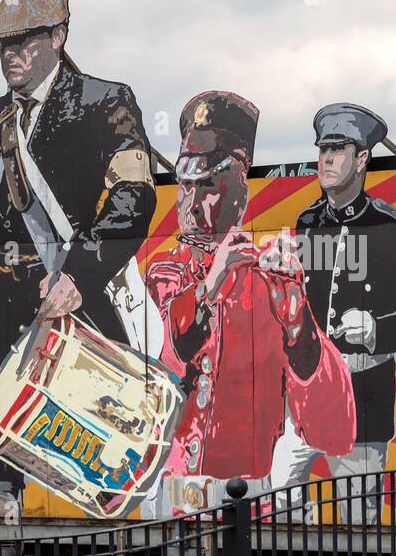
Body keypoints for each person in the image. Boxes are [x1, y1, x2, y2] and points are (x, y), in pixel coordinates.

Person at [0, 0, 156, 516]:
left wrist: (79, 275)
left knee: (96, 431)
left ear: (59, 36)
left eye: (24, 43)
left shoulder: (104, 100)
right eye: (4, 46)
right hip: (1, 305)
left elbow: (133, 197)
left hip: (72, 298)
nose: (10, 56)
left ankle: (106, 552)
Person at [142, 91, 355, 516]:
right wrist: (210, 284)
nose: (192, 202)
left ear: (240, 189)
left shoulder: (271, 278)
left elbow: (336, 429)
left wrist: (298, 319)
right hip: (172, 493)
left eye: (208, 186)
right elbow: (159, 361)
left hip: (248, 499)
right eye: (186, 185)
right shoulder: (166, 271)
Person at [270, 102, 396, 525]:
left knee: (359, 514)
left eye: (338, 150)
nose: (326, 158)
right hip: (307, 389)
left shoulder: (393, 225)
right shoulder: (308, 221)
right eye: (323, 149)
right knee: (281, 494)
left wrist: (376, 327)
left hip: (364, 392)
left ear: (362, 159)